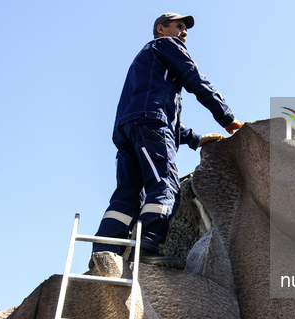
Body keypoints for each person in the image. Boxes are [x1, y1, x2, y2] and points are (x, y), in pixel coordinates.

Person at [92, 12, 243, 267]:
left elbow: (155, 109)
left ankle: (104, 253)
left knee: (127, 195)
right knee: (165, 184)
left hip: (129, 129)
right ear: (161, 29)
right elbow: (195, 79)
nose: (184, 32)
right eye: (179, 26)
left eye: (185, 29)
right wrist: (226, 118)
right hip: (148, 125)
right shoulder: (166, 45)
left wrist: (195, 139)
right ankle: (146, 247)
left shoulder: (146, 63)